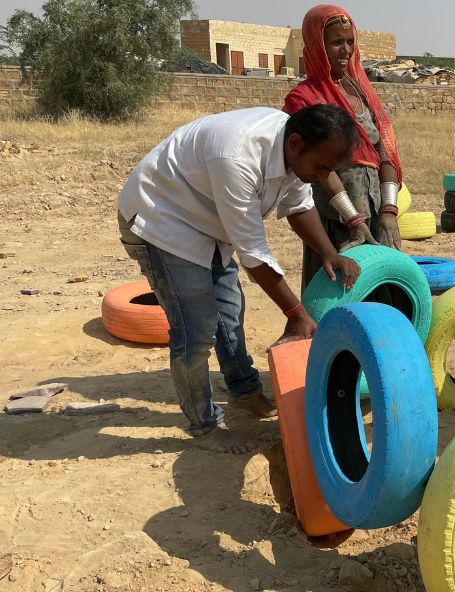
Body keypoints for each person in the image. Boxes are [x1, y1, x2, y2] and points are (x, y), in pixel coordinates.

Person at [117, 104, 362, 454]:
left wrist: (328, 251)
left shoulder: (296, 152)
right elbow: (253, 254)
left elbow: (298, 206)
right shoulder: (237, 156)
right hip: (162, 220)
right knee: (196, 329)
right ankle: (204, 425)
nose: (325, 177)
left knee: (230, 311)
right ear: (295, 143)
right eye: (322, 168)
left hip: (207, 222)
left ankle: (244, 391)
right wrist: (295, 314)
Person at [283, 4, 405, 293]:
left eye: (350, 41)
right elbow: (318, 168)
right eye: (336, 43)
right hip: (335, 216)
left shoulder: (362, 91)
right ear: (317, 46)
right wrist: (353, 219)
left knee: (384, 290)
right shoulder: (304, 99)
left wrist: (388, 211)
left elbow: (383, 152)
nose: (346, 50)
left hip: (376, 209)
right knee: (338, 291)